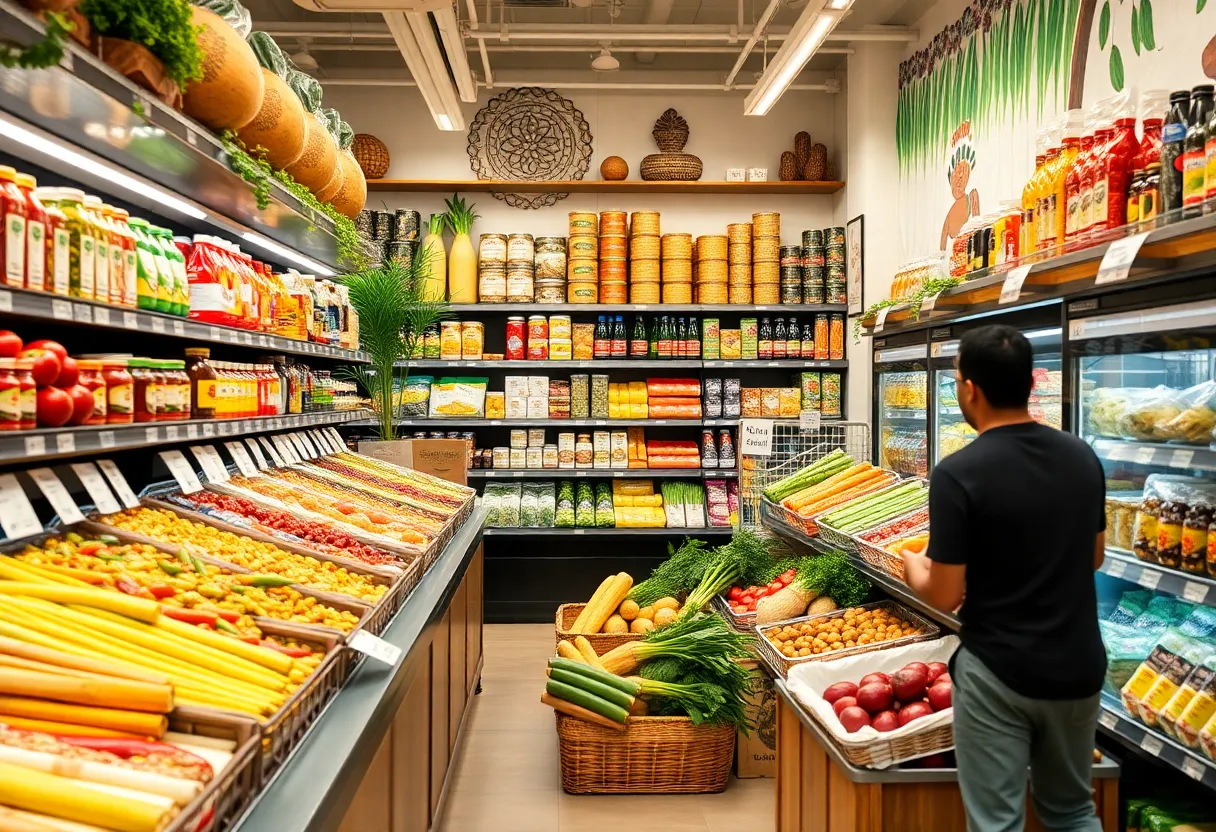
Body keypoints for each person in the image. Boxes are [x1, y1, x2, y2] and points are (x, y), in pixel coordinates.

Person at [900, 325, 1106, 832]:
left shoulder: (959, 472)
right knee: (1074, 811)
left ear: (970, 389)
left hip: (1000, 671)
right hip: (1077, 665)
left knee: (996, 823)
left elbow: (946, 594)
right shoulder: (1081, 455)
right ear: (1028, 383)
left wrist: (912, 567)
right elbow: (1094, 557)